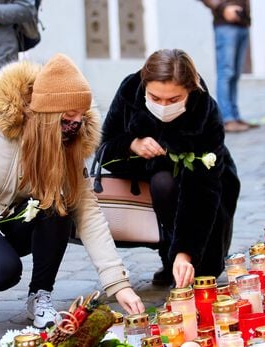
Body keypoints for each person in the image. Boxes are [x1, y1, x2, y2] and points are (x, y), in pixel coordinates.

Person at [0, 54, 145, 328]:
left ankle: (40, 295)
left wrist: (118, 284)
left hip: (15, 225)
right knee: (3, 272)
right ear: (46, 114)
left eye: (79, 120)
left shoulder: (66, 144)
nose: (73, 127)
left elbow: (89, 214)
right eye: (67, 119)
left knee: (58, 207)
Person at [100, 49, 241, 288]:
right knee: (163, 181)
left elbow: (204, 188)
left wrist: (186, 252)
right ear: (144, 85)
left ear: (190, 90)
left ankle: (184, 259)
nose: (163, 106)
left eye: (174, 100)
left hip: (204, 180)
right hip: (143, 175)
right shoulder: (129, 90)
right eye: (155, 98)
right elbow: (104, 147)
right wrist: (132, 143)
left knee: (203, 272)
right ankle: (169, 257)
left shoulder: (205, 111)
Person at [200, 0, 254, 133]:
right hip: (225, 25)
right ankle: (227, 119)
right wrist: (223, 8)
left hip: (242, 22)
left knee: (235, 74)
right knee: (226, 72)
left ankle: (235, 116)